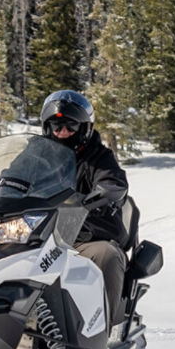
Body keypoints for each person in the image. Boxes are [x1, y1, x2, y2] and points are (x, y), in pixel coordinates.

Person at [40, 89, 128, 326]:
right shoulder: (36, 155)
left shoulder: (98, 157)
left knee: (106, 256)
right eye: (56, 127)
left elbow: (114, 181)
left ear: (84, 128)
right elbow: (10, 176)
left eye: (70, 126)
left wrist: (101, 194)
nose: (63, 133)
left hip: (85, 235)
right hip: (39, 234)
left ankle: (104, 330)